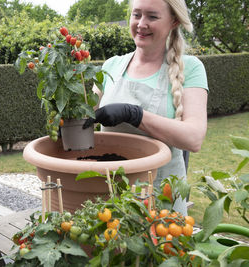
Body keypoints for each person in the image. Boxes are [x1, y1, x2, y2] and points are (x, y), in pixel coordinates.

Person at [83, 0, 208, 215]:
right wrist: (70, 123)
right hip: (111, 199)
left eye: (152, 16)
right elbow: (87, 116)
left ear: (174, 21)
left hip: (161, 201)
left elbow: (193, 138)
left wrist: (135, 115)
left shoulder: (191, 68)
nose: (141, 24)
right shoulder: (111, 66)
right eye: (136, 14)